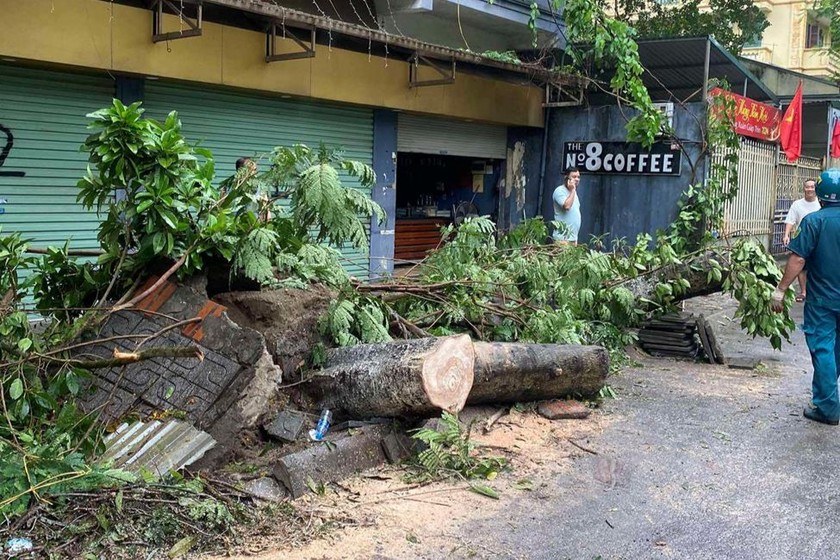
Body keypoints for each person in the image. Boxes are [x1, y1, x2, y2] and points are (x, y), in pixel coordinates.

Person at [771, 168, 840, 426]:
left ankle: (827, 407)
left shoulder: (815, 221)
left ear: (820, 193)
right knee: (836, 350)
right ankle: (826, 395)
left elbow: (798, 258)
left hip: (822, 301)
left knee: (822, 348)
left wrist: (780, 290)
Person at [782, 178, 821, 302]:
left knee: (816, 266)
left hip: (819, 240)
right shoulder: (797, 204)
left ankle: (815, 291)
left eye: (812, 187)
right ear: (803, 189)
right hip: (802, 239)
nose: (809, 189)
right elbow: (790, 220)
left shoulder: (821, 204)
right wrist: (786, 235)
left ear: (816, 189)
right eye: (807, 187)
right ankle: (803, 292)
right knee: (801, 267)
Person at [552, 167, 581, 244]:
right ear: (566, 178)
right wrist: (573, 190)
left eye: (578, 177)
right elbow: (567, 206)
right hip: (562, 239)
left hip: (573, 238)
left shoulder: (573, 193)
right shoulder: (559, 191)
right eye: (574, 177)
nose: (577, 179)